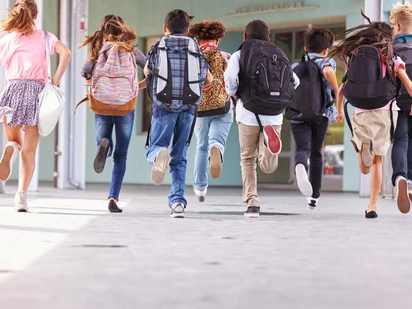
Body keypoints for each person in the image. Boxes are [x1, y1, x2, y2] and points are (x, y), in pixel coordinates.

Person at [332, 14, 412, 218]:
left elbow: (341, 89)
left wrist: (340, 110)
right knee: (377, 161)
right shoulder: (390, 56)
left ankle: (362, 152)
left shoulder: (356, 56)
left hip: (360, 112)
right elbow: (407, 83)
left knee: (365, 165)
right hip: (384, 111)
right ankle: (372, 206)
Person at [224, 20, 300, 218]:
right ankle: (269, 147)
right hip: (274, 115)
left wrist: (233, 92)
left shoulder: (240, 54)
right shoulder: (277, 53)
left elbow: (230, 77)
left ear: (245, 37)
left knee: (247, 160)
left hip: (248, 113)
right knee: (268, 166)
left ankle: (252, 203)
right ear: (268, 38)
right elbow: (295, 81)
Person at [0, 0, 71, 212]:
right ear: (36, 16)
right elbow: (66, 53)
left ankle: (10, 149)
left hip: (12, 91)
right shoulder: (46, 37)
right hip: (36, 94)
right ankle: (21, 197)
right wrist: (55, 81)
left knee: (14, 140)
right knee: (30, 151)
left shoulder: (9, 39)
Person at [144, 9, 212, 218]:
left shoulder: (158, 46)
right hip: (189, 108)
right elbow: (208, 79)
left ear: (165, 28)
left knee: (154, 147)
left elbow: (147, 71)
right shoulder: (194, 46)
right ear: (188, 29)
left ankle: (158, 155)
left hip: (163, 106)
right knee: (180, 155)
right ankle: (177, 204)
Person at [79, 14, 146, 213]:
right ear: (122, 29)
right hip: (126, 105)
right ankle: (113, 198)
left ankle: (104, 146)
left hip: (101, 104)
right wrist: (137, 86)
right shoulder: (131, 50)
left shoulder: (98, 49)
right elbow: (151, 69)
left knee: (104, 141)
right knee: (121, 155)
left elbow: (86, 73)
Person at [290, 28, 339, 209]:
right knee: (317, 152)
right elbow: (327, 72)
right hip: (320, 114)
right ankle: (314, 196)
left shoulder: (294, 66)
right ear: (326, 49)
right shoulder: (327, 61)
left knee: (304, 148)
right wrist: (337, 90)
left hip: (298, 114)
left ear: (305, 47)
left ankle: (301, 164)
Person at [188, 20, 233, 202]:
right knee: (216, 140)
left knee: (200, 147)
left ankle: (200, 188)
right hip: (222, 106)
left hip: (200, 108)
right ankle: (217, 149)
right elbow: (233, 83)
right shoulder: (225, 56)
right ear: (218, 38)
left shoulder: (193, 57)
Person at [390, 3, 412, 214]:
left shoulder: (389, 50)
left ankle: (400, 176)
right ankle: (411, 181)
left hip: (396, 104)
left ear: (396, 25)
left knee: (401, 140)